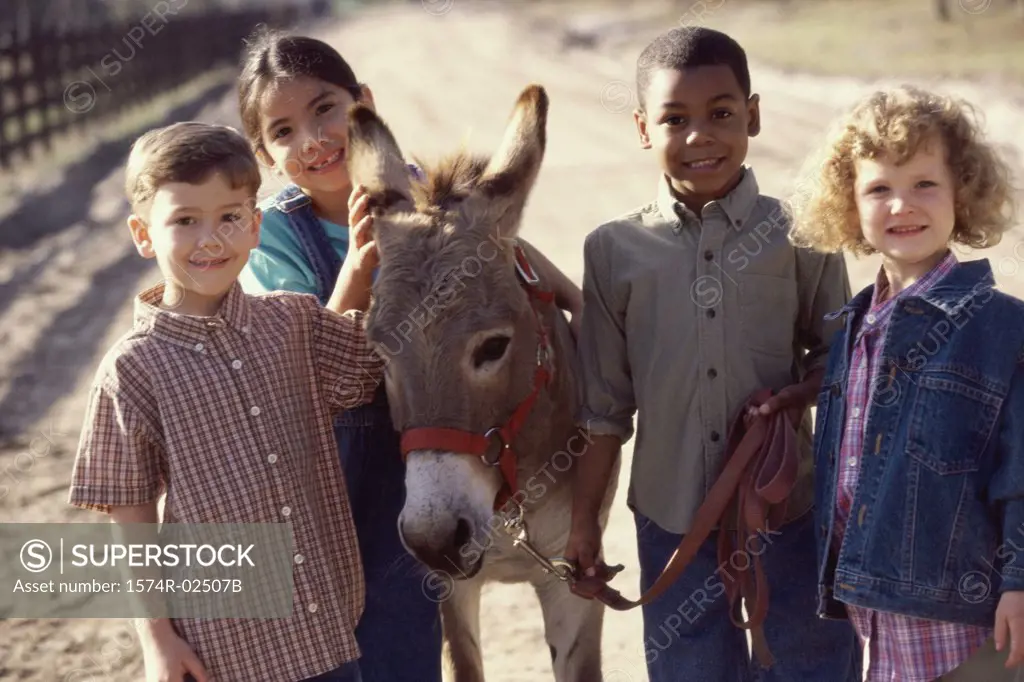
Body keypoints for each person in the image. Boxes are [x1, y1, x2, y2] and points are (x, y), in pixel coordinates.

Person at [233, 28, 584, 682]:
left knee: (405, 626)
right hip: (332, 457)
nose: (311, 139)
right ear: (264, 154)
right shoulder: (273, 233)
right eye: (283, 132)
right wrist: (362, 270)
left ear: (362, 105)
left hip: (417, 435)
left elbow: (484, 244)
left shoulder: (411, 190)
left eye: (326, 111)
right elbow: (302, 348)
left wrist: (569, 296)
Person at [563, 26, 862, 681]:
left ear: (752, 115)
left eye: (722, 114)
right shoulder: (613, 252)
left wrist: (794, 397)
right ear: (644, 129)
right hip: (671, 519)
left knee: (813, 664)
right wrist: (584, 522)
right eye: (676, 119)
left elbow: (840, 368)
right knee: (689, 668)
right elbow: (604, 410)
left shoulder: (801, 234)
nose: (700, 135)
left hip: (789, 507)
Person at [67, 121, 382, 682]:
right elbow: (131, 518)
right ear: (143, 234)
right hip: (225, 653)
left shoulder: (296, 322)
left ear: (256, 226)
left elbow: (375, 362)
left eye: (229, 217)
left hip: (329, 630)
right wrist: (157, 640)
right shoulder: (133, 369)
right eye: (185, 221)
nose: (210, 239)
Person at [788, 84, 1024, 680]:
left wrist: (1021, 582)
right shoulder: (852, 325)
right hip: (877, 606)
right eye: (878, 189)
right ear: (849, 205)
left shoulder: (1001, 326)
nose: (902, 206)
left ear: (961, 194)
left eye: (924, 184)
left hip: (966, 621)